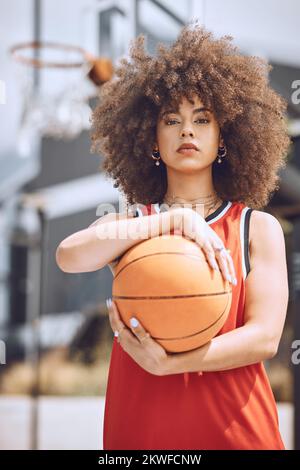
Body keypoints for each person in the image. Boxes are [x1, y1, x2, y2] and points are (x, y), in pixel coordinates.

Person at [56, 21, 290, 449]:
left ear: (224, 138)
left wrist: (173, 363)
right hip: (140, 436)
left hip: (237, 435)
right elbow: (68, 256)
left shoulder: (256, 227)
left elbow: (265, 338)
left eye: (202, 119)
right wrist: (170, 221)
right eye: (171, 119)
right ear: (151, 139)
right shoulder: (131, 224)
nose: (187, 130)